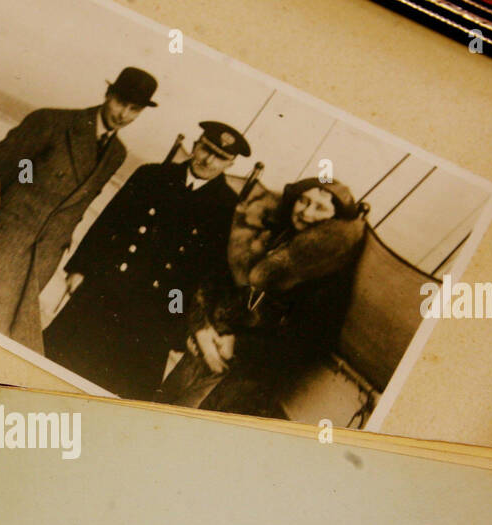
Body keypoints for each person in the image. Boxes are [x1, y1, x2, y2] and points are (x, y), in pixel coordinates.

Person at [0, 67, 158, 353]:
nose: (123, 114)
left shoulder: (117, 154)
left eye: (134, 109)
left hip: (43, 261)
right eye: (120, 102)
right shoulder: (52, 122)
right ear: (108, 94)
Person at [42, 121, 248, 400]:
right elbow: (109, 222)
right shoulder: (152, 175)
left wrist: (179, 324)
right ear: (195, 144)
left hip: (155, 313)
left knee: (118, 393)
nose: (208, 160)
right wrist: (80, 267)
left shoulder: (226, 207)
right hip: (105, 289)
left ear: (231, 163)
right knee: (53, 368)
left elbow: (208, 272)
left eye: (220, 157)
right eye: (205, 149)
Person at [157, 177, 367, 416]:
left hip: (247, 375)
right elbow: (215, 280)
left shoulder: (330, 268)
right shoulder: (268, 236)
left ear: (335, 218)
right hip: (205, 346)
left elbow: (310, 340)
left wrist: (238, 345)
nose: (306, 212)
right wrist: (202, 328)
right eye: (303, 200)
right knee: (160, 407)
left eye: (319, 207)